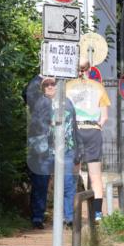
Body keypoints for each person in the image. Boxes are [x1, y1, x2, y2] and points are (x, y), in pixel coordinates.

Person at [26, 77, 82, 228]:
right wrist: (41, 74)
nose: (50, 87)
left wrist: (78, 149)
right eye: (47, 85)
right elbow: (28, 91)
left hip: (67, 150)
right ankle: (38, 218)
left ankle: (69, 218)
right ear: (42, 88)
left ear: (59, 86)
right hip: (45, 151)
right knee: (41, 184)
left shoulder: (68, 102)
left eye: (53, 84)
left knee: (68, 184)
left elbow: (74, 127)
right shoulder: (38, 102)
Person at [66, 61, 110, 221]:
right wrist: (97, 125)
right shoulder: (99, 88)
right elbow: (104, 117)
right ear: (90, 70)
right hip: (93, 131)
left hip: (74, 131)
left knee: (72, 174)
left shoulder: (67, 86)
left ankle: (70, 214)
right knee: (95, 175)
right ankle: (98, 213)